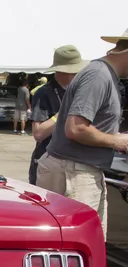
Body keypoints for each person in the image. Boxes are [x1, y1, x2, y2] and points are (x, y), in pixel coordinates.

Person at [36, 28, 128, 267]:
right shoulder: (99, 77)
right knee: (82, 245)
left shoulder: (101, 75)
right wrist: (119, 141)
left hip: (75, 167)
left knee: (72, 245)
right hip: (74, 169)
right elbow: (76, 128)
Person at [28, 46, 89, 184]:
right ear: (65, 72)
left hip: (71, 161)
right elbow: (38, 133)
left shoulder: (77, 91)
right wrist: (63, 113)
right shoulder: (44, 93)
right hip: (48, 161)